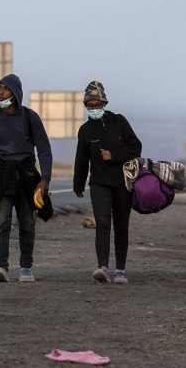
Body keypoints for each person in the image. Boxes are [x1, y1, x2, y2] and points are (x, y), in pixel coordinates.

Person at [0, 74, 52, 283]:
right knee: (2, 221)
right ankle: (1, 266)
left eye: (6, 89)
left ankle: (26, 267)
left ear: (15, 93)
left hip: (27, 177)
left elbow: (44, 150)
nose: (1, 92)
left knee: (27, 222)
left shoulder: (30, 117)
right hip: (1, 177)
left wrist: (45, 179)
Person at [72, 80, 142, 284]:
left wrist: (114, 155)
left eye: (98, 105)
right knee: (102, 224)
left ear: (104, 103)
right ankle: (102, 267)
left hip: (122, 184)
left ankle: (121, 270)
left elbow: (135, 147)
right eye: (90, 105)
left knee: (121, 227)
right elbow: (81, 159)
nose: (94, 109)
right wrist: (78, 184)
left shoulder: (119, 122)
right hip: (99, 183)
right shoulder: (85, 130)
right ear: (86, 106)